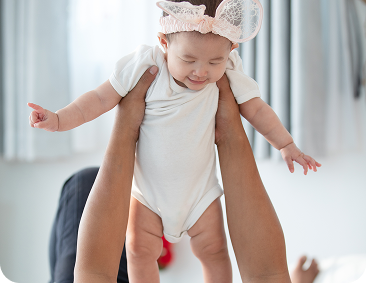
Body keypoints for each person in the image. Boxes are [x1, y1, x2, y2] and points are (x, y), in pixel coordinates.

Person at [29, 0, 321, 282]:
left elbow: (257, 109)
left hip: (200, 194)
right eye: (189, 59)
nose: (201, 71)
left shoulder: (231, 69)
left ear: (232, 50)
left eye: (214, 61)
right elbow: (101, 98)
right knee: (139, 251)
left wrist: (286, 144)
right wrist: (61, 119)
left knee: (215, 251)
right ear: (164, 43)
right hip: (148, 194)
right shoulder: (146, 63)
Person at [50, 67, 318, 283]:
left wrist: (125, 129)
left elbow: (94, 273)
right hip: (196, 194)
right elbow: (266, 275)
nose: (201, 69)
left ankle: (225, 133)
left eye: (212, 60)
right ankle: (228, 133)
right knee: (222, 257)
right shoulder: (218, 67)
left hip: (156, 198)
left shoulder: (149, 60)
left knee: (86, 185)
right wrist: (233, 134)